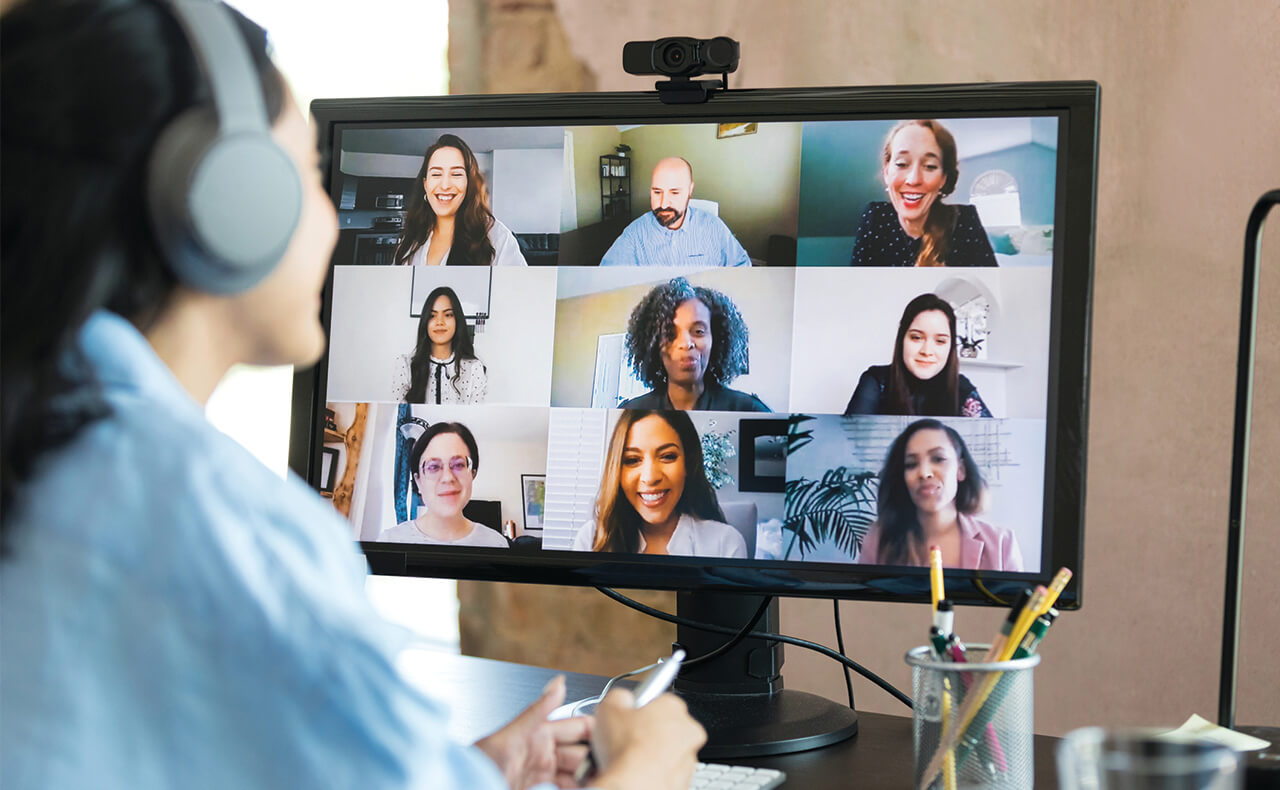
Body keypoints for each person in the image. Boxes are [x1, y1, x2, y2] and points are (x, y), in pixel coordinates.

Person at [0, 2, 705, 789]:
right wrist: (642, 772)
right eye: (307, 174)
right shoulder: (228, 534)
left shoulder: (45, 448)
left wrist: (472, 772)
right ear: (227, 204)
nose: (331, 219)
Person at [572, 410, 748, 558]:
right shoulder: (590, 539)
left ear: (688, 463)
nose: (650, 478)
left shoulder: (726, 543)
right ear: (617, 470)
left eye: (667, 456)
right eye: (632, 459)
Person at [856, 419, 1023, 571]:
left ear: (960, 470)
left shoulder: (1002, 543)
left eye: (938, 459)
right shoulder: (876, 540)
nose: (924, 473)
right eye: (911, 464)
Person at [849, 119, 998, 267]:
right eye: (901, 164)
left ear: (943, 179)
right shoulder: (876, 216)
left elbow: (989, 287)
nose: (914, 179)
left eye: (930, 166)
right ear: (887, 172)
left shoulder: (965, 220)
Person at [619, 277, 770, 412]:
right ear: (653, 345)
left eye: (698, 331)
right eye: (670, 334)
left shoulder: (749, 410)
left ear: (715, 339)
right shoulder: (630, 413)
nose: (685, 344)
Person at [844, 293, 992, 417]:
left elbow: (994, 442)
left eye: (940, 341)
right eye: (916, 338)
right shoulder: (876, 380)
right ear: (902, 339)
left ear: (951, 346)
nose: (927, 351)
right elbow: (848, 442)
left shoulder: (961, 387)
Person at [394, 133, 527, 266]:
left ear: (469, 183)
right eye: (436, 174)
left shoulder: (497, 238)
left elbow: (519, 286)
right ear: (425, 184)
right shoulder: (412, 236)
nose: (445, 185)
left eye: (456, 174)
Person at [600, 157, 751, 267]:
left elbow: (742, 266)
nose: (664, 204)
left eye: (674, 193)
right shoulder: (635, 234)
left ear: (690, 190)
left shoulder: (714, 227)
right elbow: (606, 278)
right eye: (657, 192)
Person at [378, 423, 507, 546]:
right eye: (433, 466)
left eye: (458, 465)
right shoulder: (389, 541)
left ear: (472, 473)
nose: (447, 478)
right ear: (418, 480)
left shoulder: (496, 543)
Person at [393, 286, 488, 403]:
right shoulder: (405, 365)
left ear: (457, 320)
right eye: (432, 316)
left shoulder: (474, 368)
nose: (439, 322)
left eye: (448, 315)